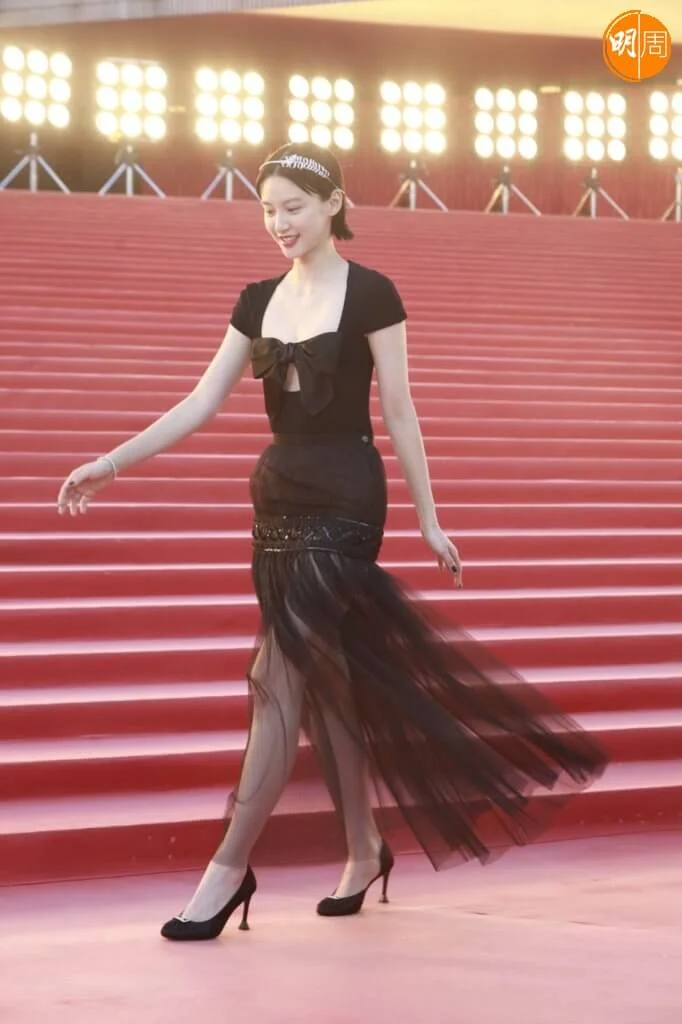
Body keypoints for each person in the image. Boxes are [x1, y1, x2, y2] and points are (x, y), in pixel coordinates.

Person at [57, 141, 607, 943]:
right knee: (329, 682)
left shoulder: (374, 292)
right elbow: (201, 402)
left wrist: (428, 519)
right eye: (268, 210)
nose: (279, 223)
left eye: (294, 207)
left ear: (333, 205)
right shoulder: (256, 300)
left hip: (347, 495)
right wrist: (110, 463)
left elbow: (400, 411)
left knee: (275, 675)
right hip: (278, 497)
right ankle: (363, 848)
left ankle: (227, 869)